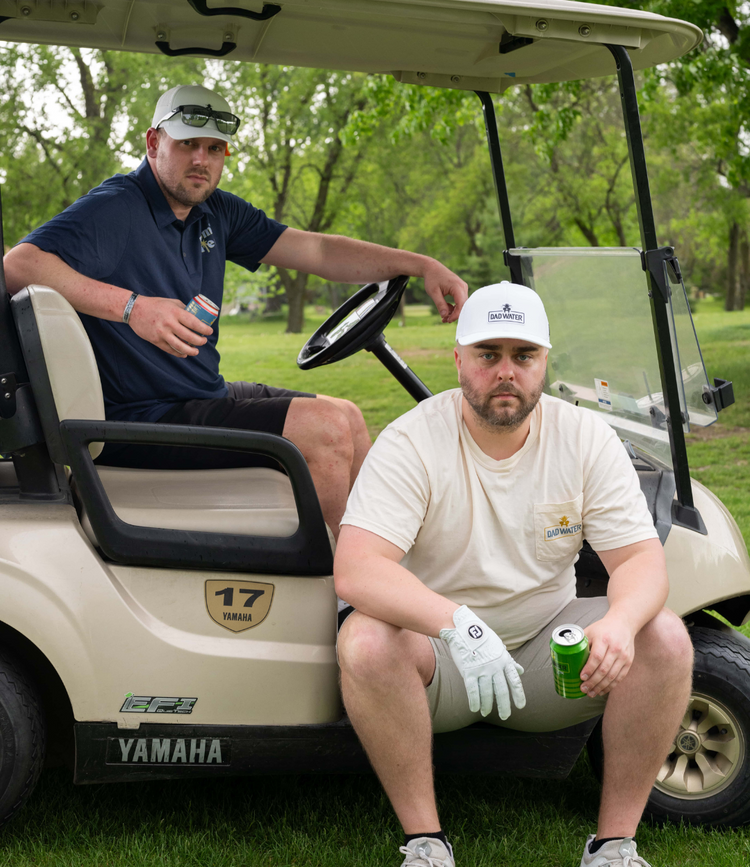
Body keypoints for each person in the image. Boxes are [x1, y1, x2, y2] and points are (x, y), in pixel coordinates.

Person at [3, 84, 467, 539]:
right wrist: (132, 307)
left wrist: (418, 264)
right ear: (153, 142)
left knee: (347, 416)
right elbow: (20, 264)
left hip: (199, 394)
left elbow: (319, 252)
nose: (201, 160)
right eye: (187, 144)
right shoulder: (117, 207)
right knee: (324, 431)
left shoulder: (215, 212)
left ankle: (382, 566)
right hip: (137, 417)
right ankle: (349, 591)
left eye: (214, 148)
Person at [335, 281, 694, 867]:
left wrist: (622, 625)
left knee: (665, 637)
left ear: (545, 362)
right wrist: (458, 626)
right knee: (367, 641)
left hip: (548, 661)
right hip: (442, 664)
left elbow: (639, 562)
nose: (506, 372)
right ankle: (426, 844)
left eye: (523, 355)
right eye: (488, 355)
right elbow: (356, 569)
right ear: (458, 359)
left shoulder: (586, 438)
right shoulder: (411, 440)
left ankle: (613, 847)